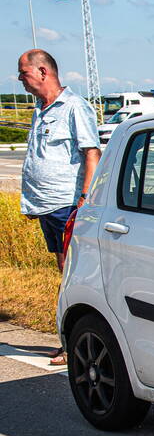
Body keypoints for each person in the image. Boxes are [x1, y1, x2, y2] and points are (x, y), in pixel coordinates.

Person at [17, 49, 100, 366]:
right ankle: (69, 339)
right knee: (63, 272)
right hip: (47, 205)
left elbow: (91, 153)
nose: (21, 80)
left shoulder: (74, 107)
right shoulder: (41, 108)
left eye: (23, 73)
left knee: (72, 275)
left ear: (42, 72)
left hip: (67, 205)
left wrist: (84, 199)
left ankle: (73, 345)